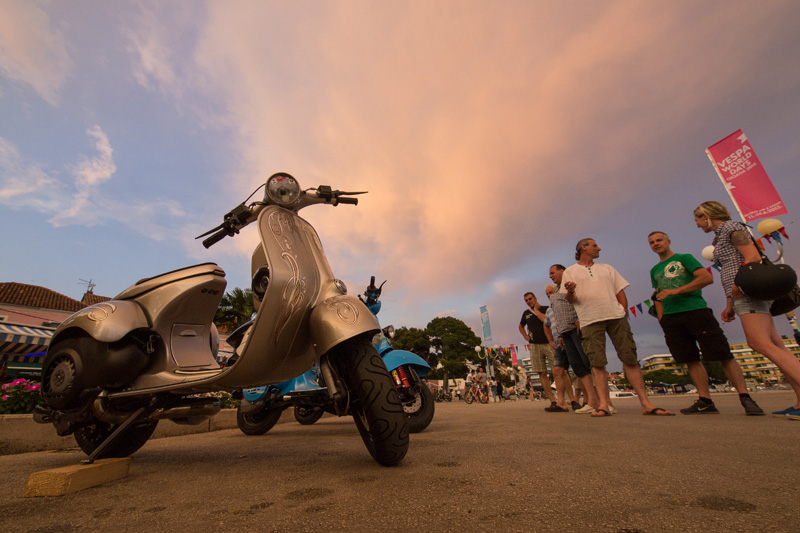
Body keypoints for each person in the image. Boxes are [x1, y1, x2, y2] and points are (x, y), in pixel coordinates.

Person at [694, 201, 800, 418]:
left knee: (758, 343)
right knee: (776, 345)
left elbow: (752, 257)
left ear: (706, 215)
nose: (696, 224)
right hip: (744, 294)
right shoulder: (722, 234)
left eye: (697, 219)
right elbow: (731, 266)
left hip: (747, 292)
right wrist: (729, 302)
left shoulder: (731, 228)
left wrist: (737, 286)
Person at [648, 230, 764, 415]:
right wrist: (662, 318)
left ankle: (745, 397)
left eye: (659, 240)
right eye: (652, 242)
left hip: (695, 310)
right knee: (690, 359)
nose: (656, 244)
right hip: (671, 317)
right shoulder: (654, 270)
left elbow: (706, 278)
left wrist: (676, 291)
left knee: (722, 353)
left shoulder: (684, 258)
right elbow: (657, 295)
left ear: (668, 241)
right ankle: (705, 400)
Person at [561, 238, 674, 417]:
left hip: (616, 317)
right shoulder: (570, 271)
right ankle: (604, 404)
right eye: (594, 245)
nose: (599, 247)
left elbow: (620, 291)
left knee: (629, 356)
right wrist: (571, 291)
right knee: (597, 362)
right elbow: (570, 300)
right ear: (584, 248)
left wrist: (622, 310)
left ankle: (645, 403)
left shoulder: (607, 268)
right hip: (589, 319)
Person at [548, 264, 601, 414]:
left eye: (552, 273)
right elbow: (558, 316)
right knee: (578, 367)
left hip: (577, 328)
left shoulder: (572, 284)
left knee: (589, 362)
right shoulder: (555, 293)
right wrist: (560, 335)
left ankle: (603, 400)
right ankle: (592, 401)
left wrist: (580, 318)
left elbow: (582, 301)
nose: (550, 276)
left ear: (562, 271)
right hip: (565, 333)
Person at [519, 292, 559, 410]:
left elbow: (546, 321)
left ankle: (567, 398)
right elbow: (520, 326)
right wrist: (526, 336)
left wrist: (536, 309)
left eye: (530, 299)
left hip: (548, 342)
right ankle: (552, 400)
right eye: (526, 300)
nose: (528, 301)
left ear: (535, 298)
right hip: (535, 344)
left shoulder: (546, 309)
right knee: (541, 373)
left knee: (558, 371)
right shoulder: (526, 314)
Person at [542, 284, 579, 411]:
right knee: (557, 371)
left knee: (579, 369)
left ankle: (580, 400)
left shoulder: (565, 303)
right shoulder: (549, 310)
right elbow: (546, 325)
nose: (548, 295)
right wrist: (550, 340)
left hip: (570, 339)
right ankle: (561, 403)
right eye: (547, 294)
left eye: (550, 292)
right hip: (558, 344)